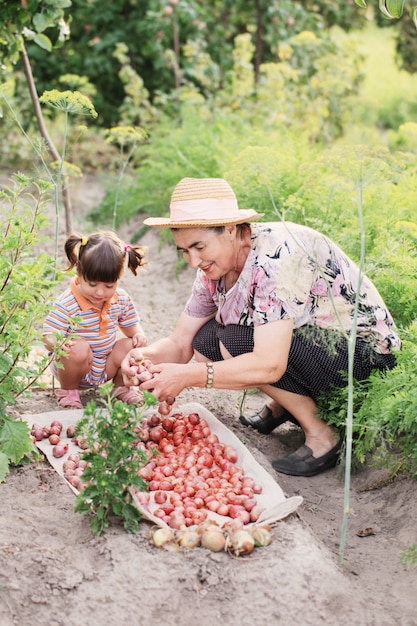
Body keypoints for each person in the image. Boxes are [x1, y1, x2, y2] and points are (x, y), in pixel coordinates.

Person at [121, 177, 401, 477]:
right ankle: (285, 405)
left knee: (235, 342)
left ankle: (322, 433)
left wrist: (188, 376)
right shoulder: (214, 269)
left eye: (199, 247)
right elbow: (181, 342)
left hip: (364, 357)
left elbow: (269, 364)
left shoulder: (275, 258)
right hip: (313, 348)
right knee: (206, 341)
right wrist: (145, 357)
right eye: (184, 251)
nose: (193, 261)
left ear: (230, 229)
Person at [43, 230, 148, 409]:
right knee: (78, 348)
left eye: (109, 286)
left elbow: (132, 328)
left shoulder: (120, 299)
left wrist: (138, 335)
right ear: (79, 272)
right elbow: (48, 336)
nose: (100, 292)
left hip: (104, 367)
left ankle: (120, 387)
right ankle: (69, 392)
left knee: (131, 346)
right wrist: (58, 344)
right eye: (92, 284)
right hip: (73, 369)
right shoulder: (68, 303)